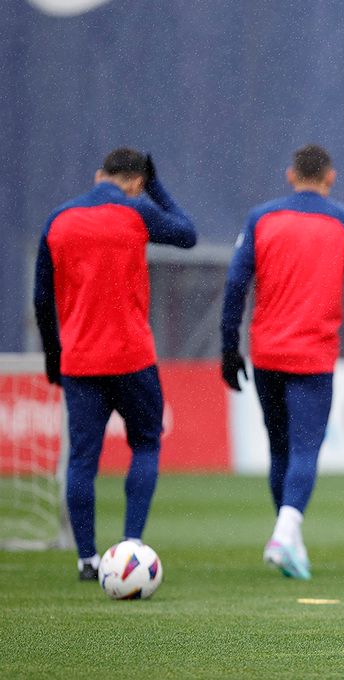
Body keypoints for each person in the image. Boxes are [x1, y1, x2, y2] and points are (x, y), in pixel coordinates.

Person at [220, 144, 344, 580]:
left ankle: (289, 539)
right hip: (313, 355)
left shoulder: (261, 218)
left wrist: (228, 347)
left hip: (267, 353)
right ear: (330, 177)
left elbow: (235, 284)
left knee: (280, 449)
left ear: (290, 175)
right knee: (306, 449)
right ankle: (283, 535)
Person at [33, 147, 197, 580]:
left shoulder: (58, 220)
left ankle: (87, 559)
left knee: (82, 461)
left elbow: (41, 298)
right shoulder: (136, 211)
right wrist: (157, 189)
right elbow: (187, 234)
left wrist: (53, 355)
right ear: (137, 182)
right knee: (145, 444)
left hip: (80, 360)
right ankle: (131, 545)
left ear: (98, 175)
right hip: (131, 357)